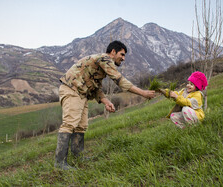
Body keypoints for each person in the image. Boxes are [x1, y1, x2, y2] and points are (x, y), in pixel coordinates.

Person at [55, 40, 155, 170]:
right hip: (72, 89)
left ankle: (78, 157)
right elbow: (120, 80)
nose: (123, 59)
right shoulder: (105, 58)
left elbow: (96, 89)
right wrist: (143, 93)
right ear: (113, 52)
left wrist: (107, 102)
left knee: (81, 126)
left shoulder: (101, 66)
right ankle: (59, 163)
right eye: (122, 54)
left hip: (82, 94)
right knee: (70, 124)